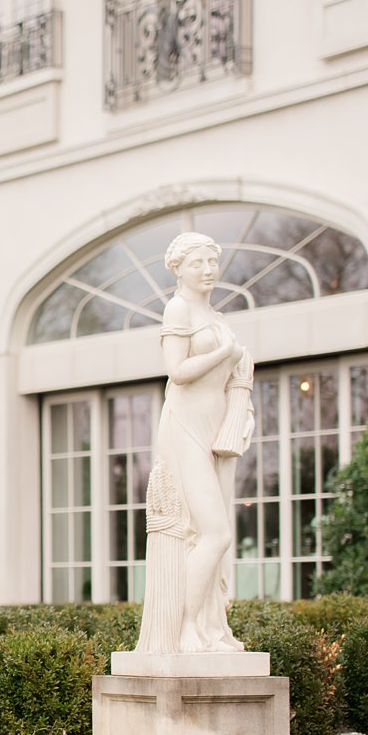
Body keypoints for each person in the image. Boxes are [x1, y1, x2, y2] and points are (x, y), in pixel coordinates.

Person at [137, 232, 254, 654]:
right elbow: (177, 370)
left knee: (206, 536)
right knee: (213, 533)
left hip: (214, 434)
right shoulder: (179, 307)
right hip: (184, 427)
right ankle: (185, 630)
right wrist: (225, 353)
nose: (207, 270)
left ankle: (211, 628)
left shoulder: (218, 316)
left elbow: (231, 381)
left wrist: (244, 418)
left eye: (211, 261)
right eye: (198, 263)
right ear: (179, 269)